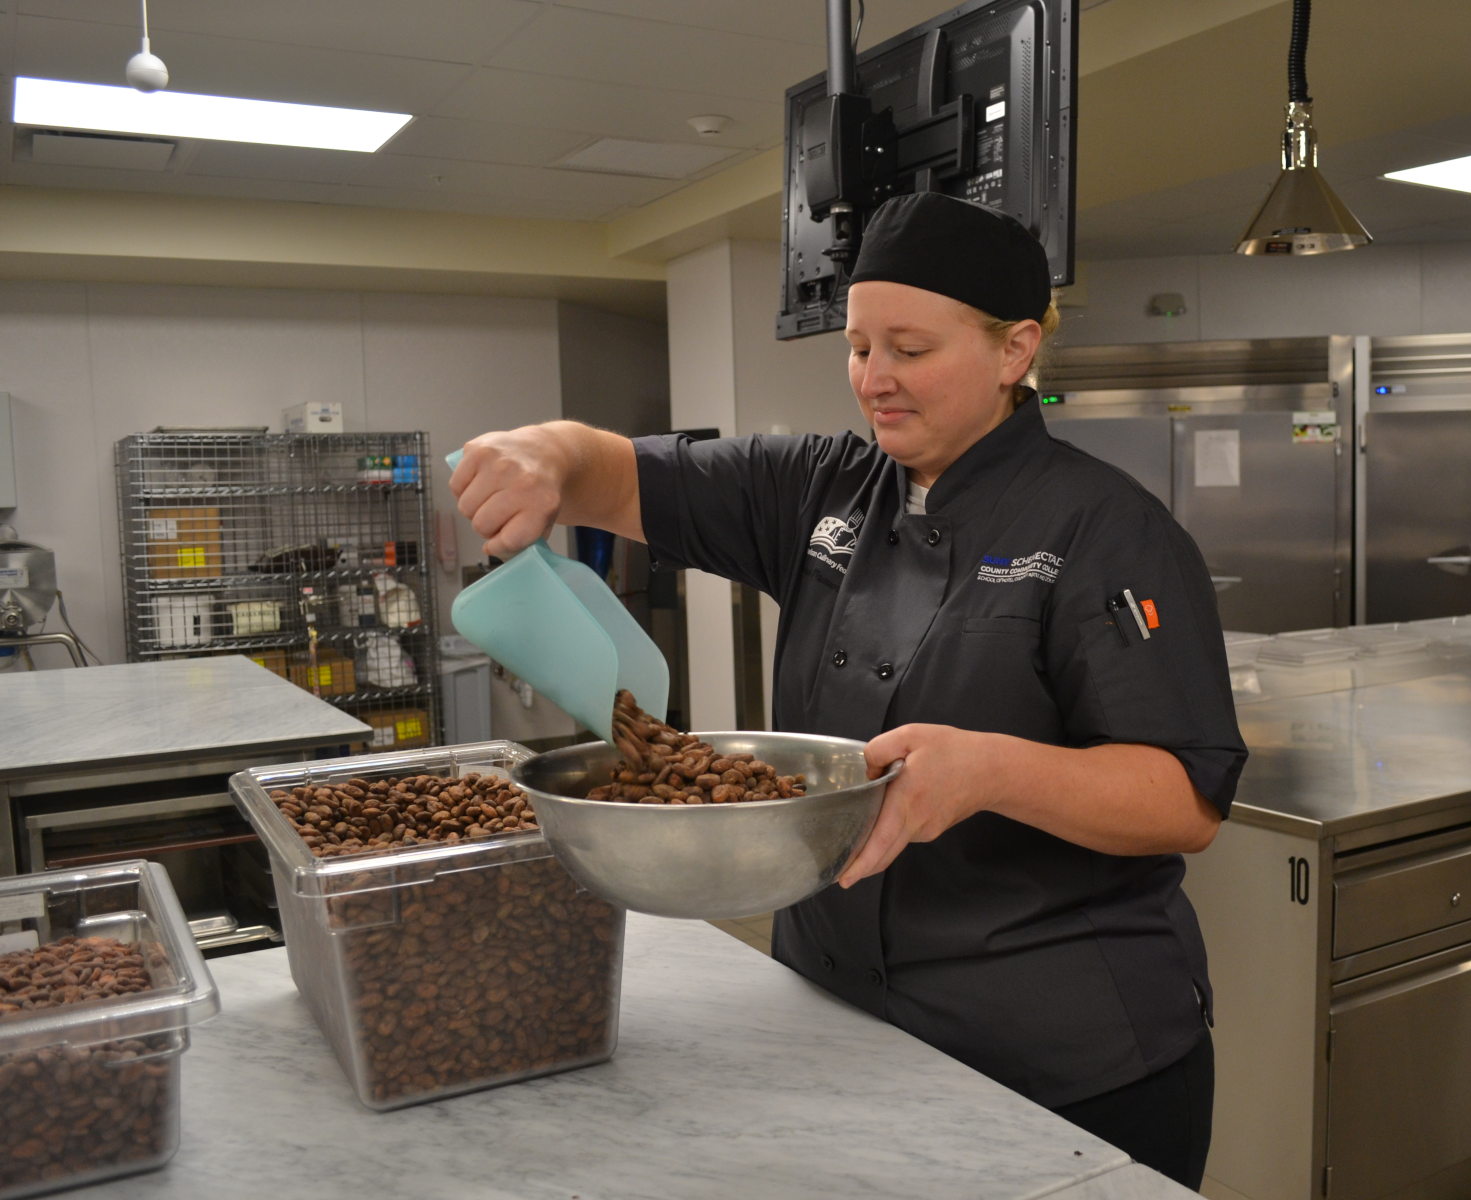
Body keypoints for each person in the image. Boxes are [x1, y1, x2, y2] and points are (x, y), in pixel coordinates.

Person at [449, 192, 1247, 1188]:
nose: (874, 379)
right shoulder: (819, 489)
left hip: (1063, 1057)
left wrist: (991, 769)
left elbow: (1185, 800)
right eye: (859, 347)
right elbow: (609, 474)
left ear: (1014, 352)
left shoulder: (1107, 530)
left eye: (909, 349)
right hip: (834, 1021)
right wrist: (543, 456)